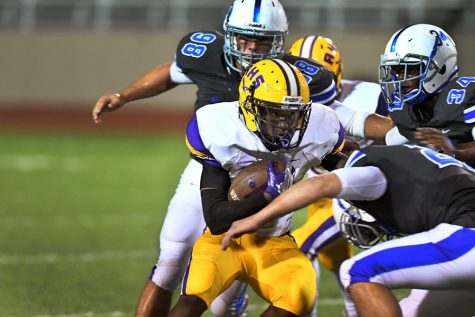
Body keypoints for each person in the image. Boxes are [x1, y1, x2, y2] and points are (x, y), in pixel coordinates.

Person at [91, 1, 337, 316]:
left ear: (279, 41)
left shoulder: (296, 78)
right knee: (171, 261)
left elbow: (327, 121)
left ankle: (232, 302)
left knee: (226, 296)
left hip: (271, 173)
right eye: (243, 38)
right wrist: (124, 95)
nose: (250, 48)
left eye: (261, 41)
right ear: (228, 34)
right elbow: (171, 72)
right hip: (211, 168)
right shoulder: (208, 57)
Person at [168, 58, 346, 317]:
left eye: (292, 114)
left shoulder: (319, 128)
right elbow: (216, 219)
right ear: (250, 107)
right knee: (192, 299)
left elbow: (337, 161)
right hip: (224, 241)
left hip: (275, 243)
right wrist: (266, 197)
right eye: (274, 112)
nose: (284, 123)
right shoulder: (220, 130)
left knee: (300, 294)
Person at [221, 144, 475, 317]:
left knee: (358, 270)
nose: (376, 230)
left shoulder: (370, 169)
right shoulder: (412, 161)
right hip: (462, 238)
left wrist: (256, 219)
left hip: (467, 235)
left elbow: (321, 184)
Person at [288, 35, 392, 317]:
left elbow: (396, 139)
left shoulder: (369, 97)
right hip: (325, 194)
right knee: (333, 259)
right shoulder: (291, 101)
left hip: (360, 195)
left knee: (299, 249)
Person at [379, 23, 475, 163]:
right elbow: (390, 141)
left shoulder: (467, 95)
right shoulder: (405, 110)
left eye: (410, 69)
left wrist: (454, 153)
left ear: (441, 67)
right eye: (396, 70)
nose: (401, 78)